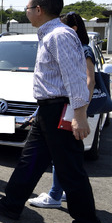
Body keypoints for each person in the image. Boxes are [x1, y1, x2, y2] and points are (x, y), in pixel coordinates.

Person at [0, 0, 101, 223]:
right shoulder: (49, 34)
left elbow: (75, 77)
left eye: (27, 8)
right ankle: (12, 203)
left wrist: (79, 115)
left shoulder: (59, 35)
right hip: (48, 110)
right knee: (31, 159)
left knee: (70, 168)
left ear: (38, 9)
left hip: (61, 110)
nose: (26, 12)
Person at [27, 11, 96, 209]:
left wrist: (80, 111)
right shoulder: (68, 42)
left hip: (68, 108)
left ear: (73, 29)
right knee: (60, 159)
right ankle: (55, 194)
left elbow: (85, 81)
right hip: (60, 107)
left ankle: (57, 196)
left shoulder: (78, 47)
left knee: (66, 161)